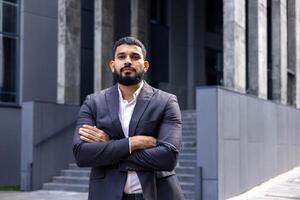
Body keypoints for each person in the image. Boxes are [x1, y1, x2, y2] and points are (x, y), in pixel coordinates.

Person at [73, 36, 184, 200]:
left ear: (145, 65)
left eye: (135, 56)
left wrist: (109, 148)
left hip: (157, 193)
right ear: (113, 65)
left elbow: (168, 157)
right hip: (106, 194)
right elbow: (82, 154)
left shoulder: (166, 101)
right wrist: (134, 143)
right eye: (121, 56)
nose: (127, 61)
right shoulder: (93, 102)